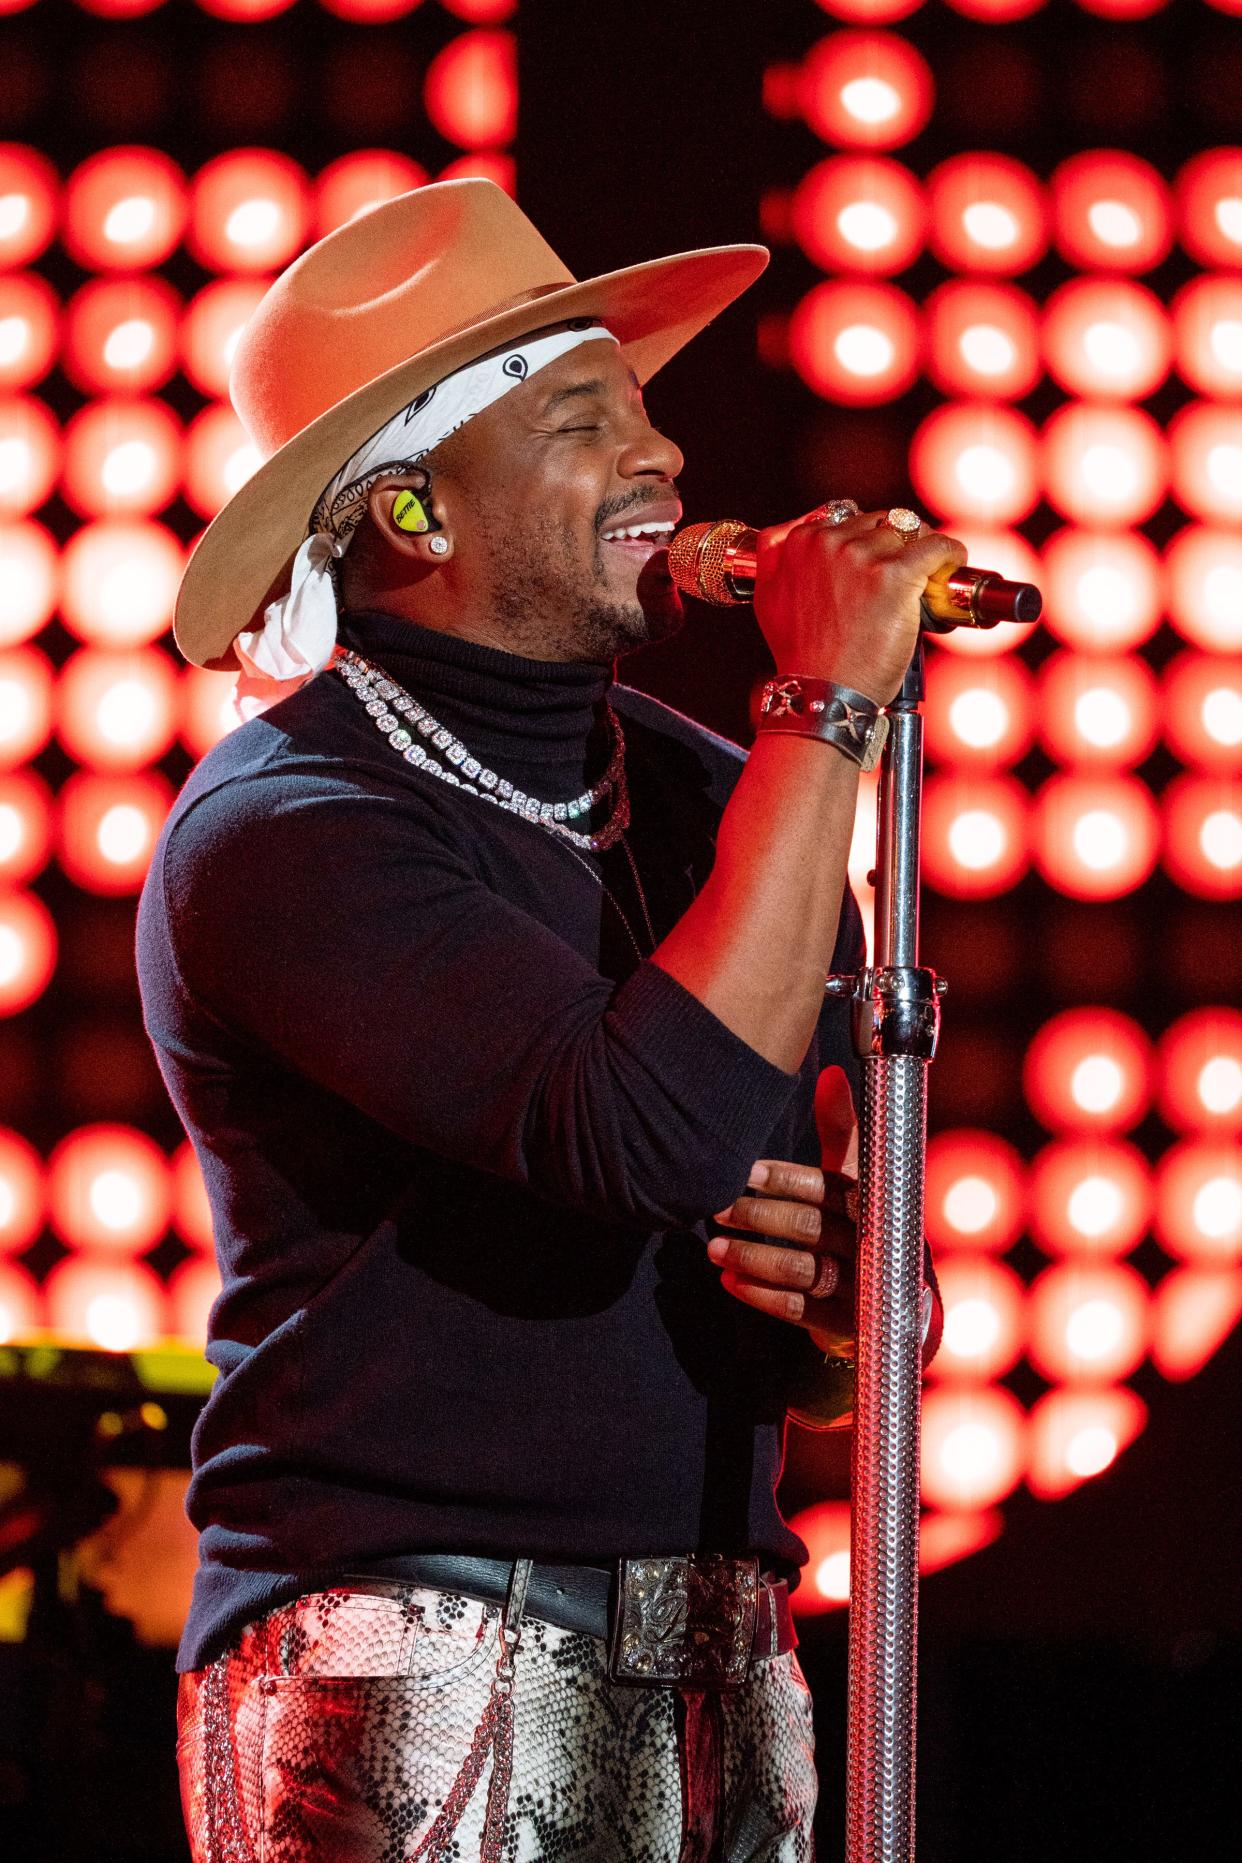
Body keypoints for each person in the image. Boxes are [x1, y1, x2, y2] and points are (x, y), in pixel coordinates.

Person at [137, 179, 957, 1863]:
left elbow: (818, 1351)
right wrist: (828, 708)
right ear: (418, 515)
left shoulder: (715, 800)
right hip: (415, 1650)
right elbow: (635, 1133)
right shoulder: (294, 830)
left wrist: (851, 1309)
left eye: (646, 413)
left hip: (725, 1649)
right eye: (587, 422)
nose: (661, 460)